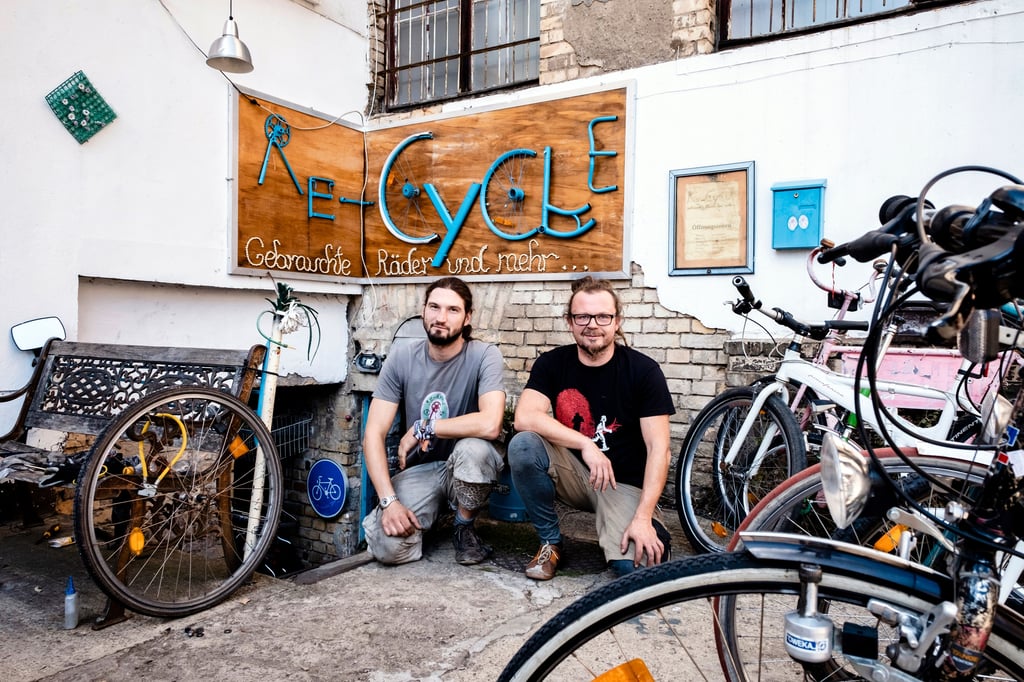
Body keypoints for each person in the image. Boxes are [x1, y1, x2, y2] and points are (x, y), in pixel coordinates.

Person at [508, 276, 674, 580]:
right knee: (524, 445)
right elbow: (525, 416)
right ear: (570, 322)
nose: (592, 325)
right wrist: (586, 444)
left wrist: (643, 516)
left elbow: (659, 450)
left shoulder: (643, 371)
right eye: (582, 316)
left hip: (622, 484)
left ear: (617, 321)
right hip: (571, 472)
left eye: (602, 316)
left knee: (637, 570)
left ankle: (639, 525)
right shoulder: (552, 364)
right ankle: (550, 543)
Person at [361, 277, 506, 566]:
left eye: (453, 310)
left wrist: (424, 427)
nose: (441, 317)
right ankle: (422, 521)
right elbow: (373, 434)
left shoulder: (484, 355)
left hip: (464, 467)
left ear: (467, 318)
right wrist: (389, 502)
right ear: (423, 311)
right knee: (389, 549)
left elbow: (491, 423)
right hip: (422, 470)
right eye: (434, 307)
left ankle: (463, 526)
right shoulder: (402, 357)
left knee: (473, 450)